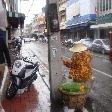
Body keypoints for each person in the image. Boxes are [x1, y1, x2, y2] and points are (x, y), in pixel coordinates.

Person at [0, 37, 11, 112]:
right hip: (1, 64)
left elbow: (6, 52)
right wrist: (9, 65)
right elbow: (6, 52)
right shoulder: (1, 39)